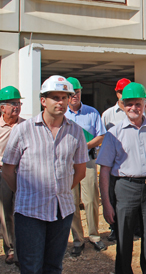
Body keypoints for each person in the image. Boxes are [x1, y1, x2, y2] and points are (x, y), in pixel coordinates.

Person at [2, 75, 88, 274]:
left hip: (61, 211)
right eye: (55, 97)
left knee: (53, 266)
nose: (60, 102)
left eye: (64, 97)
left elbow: (80, 171)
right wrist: (25, 191)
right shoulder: (23, 130)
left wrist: (61, 190)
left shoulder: (76, 132)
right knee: (31, 267)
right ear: (43, 101)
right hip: (29, 212)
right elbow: (7, 170)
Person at [97, 82, 146, 274]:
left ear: (145, 104)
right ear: (122, 105)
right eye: (128, 104)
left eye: (137, 103)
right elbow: (104, 170)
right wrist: (106, 202)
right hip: (125, 188)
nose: (133, 108)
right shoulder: (114, 134)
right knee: (124, 237)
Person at [64, 77, 107, 257]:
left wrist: (85, 146)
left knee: (91, 200)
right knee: (71, 201)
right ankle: (77, 239)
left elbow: (101, 135)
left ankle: (95, 236)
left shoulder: (92, 113)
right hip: (67, 163)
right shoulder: (61, 114)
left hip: (87, 160)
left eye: (78, 92)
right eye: (72, 93)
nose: (75, 95)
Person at [101, 77, 130, 241]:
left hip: (131, 163)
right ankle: (114, 228)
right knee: (113, 197)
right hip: (113, 165)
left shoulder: (134, 111)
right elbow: (102, 137)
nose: (122, 95)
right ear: (117, 93)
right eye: (120, 92)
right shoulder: (108, 115)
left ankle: (133, 228)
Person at [0, 86, 25, 265]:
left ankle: (22, 250)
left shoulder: (26, 126)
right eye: (12, 104)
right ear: (2, 108)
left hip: (23, 174)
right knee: (5, 212)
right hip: (2, 174)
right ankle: (9, 249)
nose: (16, 107)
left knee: (21, 213)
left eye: (18, 103)